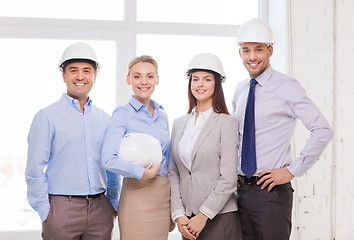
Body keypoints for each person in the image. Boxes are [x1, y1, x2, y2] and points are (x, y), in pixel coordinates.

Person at [232, 18, 334, 240]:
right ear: (239, 52)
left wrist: (292, 170)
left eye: (258, 50)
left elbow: (322, 129)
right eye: (246, 50)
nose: (252, 57)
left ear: (270, 50)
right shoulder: (240, 90)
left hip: (270, 193)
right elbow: (237, 138)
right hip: (240, 191)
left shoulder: (286, 86)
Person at [25, 42, 120, 240]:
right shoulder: (47, 116)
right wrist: (46, 213)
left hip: (101, 209)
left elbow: (112, 167)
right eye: (73, 70)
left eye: (87, 70)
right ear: (64, 76)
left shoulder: (105, 118)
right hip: (61, 209)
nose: (80, 76)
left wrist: (112, 202)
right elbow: (34, 169)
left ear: (95, 76)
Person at [168, 52, 243, 240]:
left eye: (207, 79)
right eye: (195, 79)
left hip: (220, 218)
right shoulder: (179, 123)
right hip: (187, 221)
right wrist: (178, 214)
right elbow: (173, 173)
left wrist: (203, 215)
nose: (200, 84)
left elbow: (228, 178)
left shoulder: (227, 123)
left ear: (217, 84)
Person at [101, 55, 175, 240]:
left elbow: (168, 160)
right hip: (137, 195)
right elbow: (108, 159)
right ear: (128, 79)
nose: (144, 81)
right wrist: (143, 173)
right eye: (137, 76)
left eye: (150, 76)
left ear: (157, 79)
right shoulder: (122, 114)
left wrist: (174, 206)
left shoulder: (162, 115)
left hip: (163, 196)